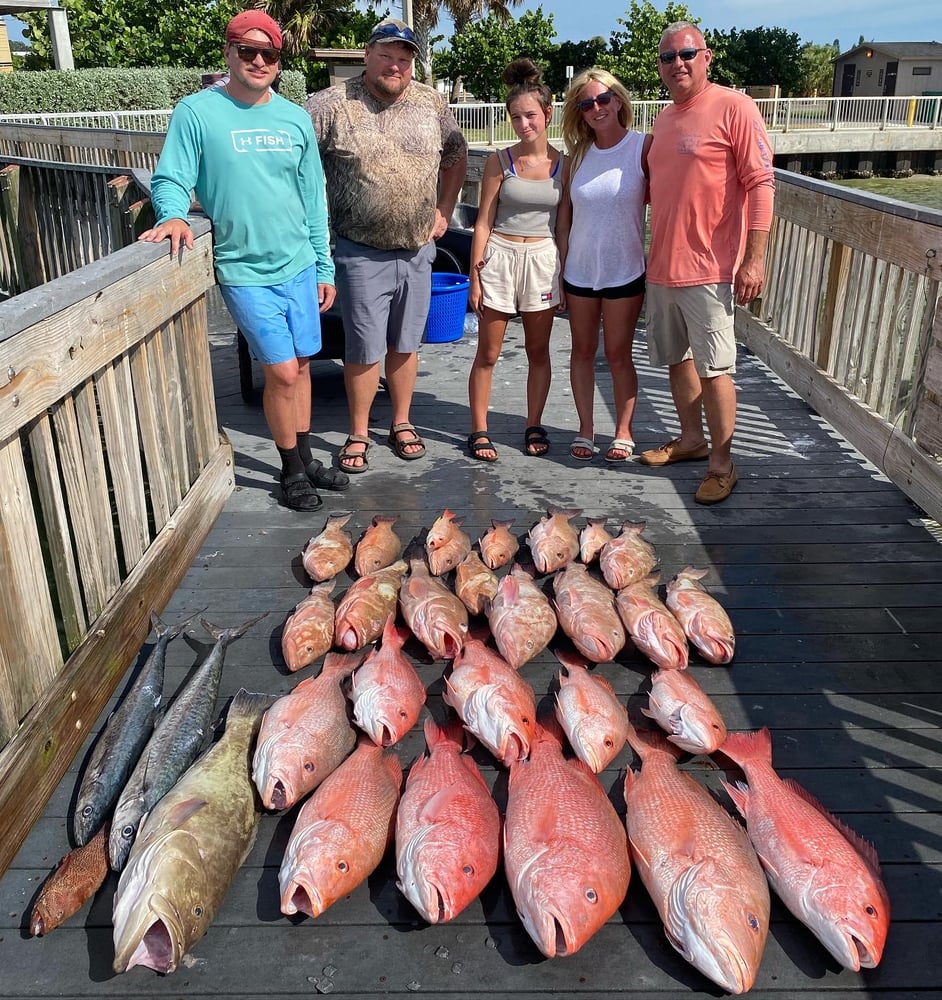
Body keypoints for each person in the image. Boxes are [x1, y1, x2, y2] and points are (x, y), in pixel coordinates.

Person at [139, 10, 344, 511]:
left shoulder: (295, 118)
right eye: (246, 50)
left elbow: (312, 197)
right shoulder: (197, 111)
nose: (257, 60)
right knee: (282, 372)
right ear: (229, 52)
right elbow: (172, 176)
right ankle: (291, 469)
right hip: (244, 269)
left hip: (299, 263)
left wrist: (323, 265)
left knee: (301, 365)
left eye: (268, 53)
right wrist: (173, 215)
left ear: (278, 59)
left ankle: (308, 454)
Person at [306, 18, 468, 474]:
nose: (395, 65)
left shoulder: (430, 101)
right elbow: (292, 160)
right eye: (386, 55)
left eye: (404, 58)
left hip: (418, 250)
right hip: (359, 250)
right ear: (367, 54)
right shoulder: (330, 104)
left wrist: (444, 208)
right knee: (362, 347)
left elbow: (456, 156)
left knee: (406, 342)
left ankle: (401, 421)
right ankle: (359, 432)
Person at [639, 20, 775, 504]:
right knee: (676, 360)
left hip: (712, 269)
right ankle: (691, 440)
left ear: (706, 56)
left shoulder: (734, 106)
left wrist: (753, 260)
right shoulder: (663, 118)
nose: (677, 63)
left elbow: (761, 183)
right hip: (663, 267)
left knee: (716, 369)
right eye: (668, 57)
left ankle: (722, 462)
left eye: (686, 54)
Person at [466, 58, 562, 463]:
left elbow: (566, 225)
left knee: (538, 351)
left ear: (547, 114)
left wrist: (567, 277)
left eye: (531, 116)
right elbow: (483, 221)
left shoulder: (565, 165)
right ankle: (479, 429)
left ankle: (533, 422)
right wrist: (475, 276)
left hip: (543, 258)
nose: (524, 125)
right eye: (516, 117)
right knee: (488, 353)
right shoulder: (498, 162)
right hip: (500, 257)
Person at [556, 67, 651, 464]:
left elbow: (668, 202)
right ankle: (585, 429)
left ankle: (624, 432)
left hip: (625, 270)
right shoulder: (576, 156)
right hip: (578, 271)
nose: (597, 108)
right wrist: (559, 270)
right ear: (579, 112)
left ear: (619, 101)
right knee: (581, 350)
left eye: (603, 99)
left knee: (618, 354)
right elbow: (564, 216)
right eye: (586, 103)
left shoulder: (643, 147)